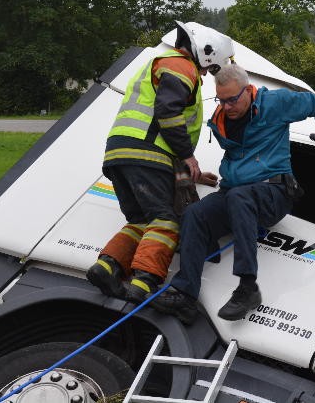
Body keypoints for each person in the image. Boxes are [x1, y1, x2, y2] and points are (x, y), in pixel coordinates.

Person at [152, 63, 315, 324]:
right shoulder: (220, 120)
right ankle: (185, 295)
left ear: (248, 90)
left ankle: (248, 288)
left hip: (274, 192)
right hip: (234, 192)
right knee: (195, 212)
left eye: (232, 100)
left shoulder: (275, 102)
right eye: (221, 100)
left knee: (240, 197)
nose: (227, 106)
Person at [86, 21, 233, 303]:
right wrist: (188, 155)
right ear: (205, 52)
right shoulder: (181, 66)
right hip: (147, 154)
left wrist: (193, 172)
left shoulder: (159, 63)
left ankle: (106, 267)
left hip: (121, 153)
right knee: (166, 221)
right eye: (210, 67)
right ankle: (144, 282)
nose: (205, 73)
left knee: (142, 220)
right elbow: (168, 113)